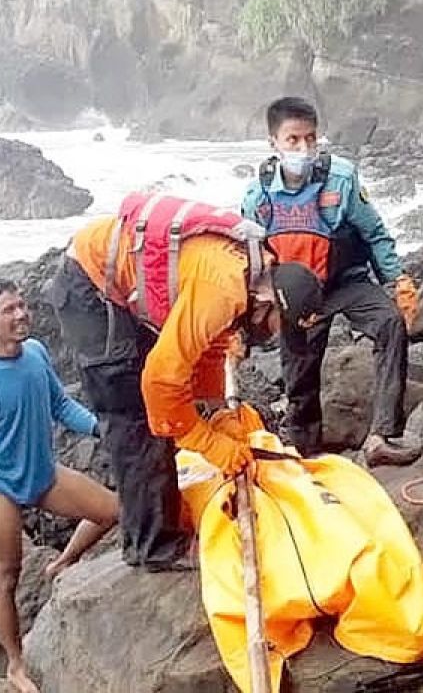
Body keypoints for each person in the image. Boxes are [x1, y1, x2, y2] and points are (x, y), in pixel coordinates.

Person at [49, 191, 322, 572]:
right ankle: (152, 547)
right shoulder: (224, 288)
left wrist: (214, 413)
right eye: (279, 326)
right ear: (268, 303)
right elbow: (160, 382)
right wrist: (206, 442)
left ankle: (159, 524)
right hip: (92, 287)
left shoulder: (253, 271)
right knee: (134, 414)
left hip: (122, 279)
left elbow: (207, 346)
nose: (275, 336)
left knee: (159, 406)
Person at [0, 279, 119, 693]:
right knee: (6, 575)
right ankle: (15, 664)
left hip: (43, 473)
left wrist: (101, 429)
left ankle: (62, 563)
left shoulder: (37, 353)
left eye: (22, 305)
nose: (21, 315)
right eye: (8, 310)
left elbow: (60, 405)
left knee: (115, 510)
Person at [240, 96, 423, 467]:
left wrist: (398, 280)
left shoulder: (340, 178)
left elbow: (374, 233)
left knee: (390, 324)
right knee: (298, 369)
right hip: (296, 293)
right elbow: (250, 260)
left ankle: (382, 436)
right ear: (273, 143)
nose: (304, 148)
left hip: (344, 280)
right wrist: (241, 324)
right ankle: (307, 451)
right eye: (293, 140)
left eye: (310, 138)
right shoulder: (258, 197)